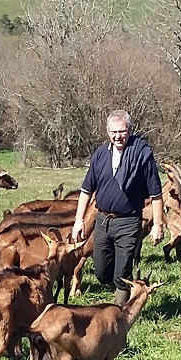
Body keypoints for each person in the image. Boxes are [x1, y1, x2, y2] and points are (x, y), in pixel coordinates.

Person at [71, 110, 162, 305]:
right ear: (107, 132)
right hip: (102, 221)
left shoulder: (142, 154)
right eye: (113, 132)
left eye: (122, 131)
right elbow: (86, 190)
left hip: (128, 222)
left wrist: (158, 225)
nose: (117, 136)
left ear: (129, 130)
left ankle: (120, 314)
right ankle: (129, 290)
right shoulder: (101, 155)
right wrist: (78, 221)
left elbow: (156, 193)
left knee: (122, 273)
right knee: (102, 273)